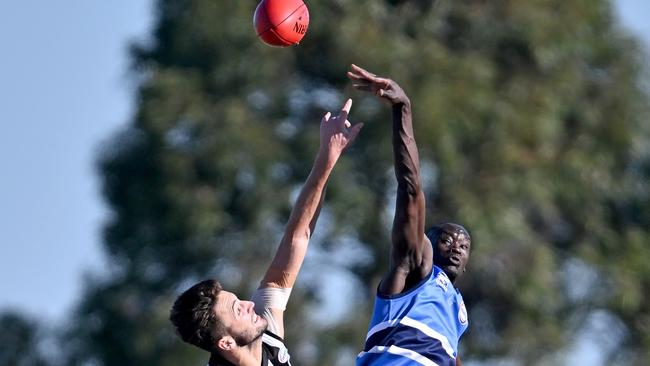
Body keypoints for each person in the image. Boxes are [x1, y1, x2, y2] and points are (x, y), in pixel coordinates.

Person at [169, 99, 363, 366]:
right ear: (225, 343)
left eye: (239, 301)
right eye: (239, 310)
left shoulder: (266, 337)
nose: (249, 304)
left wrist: (326, 159)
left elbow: (297, 238)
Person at [348, 64, 471, 366]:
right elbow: (411, 189)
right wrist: (402, 109)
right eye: (446, 240)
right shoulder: (417, 268)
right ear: (424, 242)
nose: (455, 247)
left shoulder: (457, 312)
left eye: (463, 245)